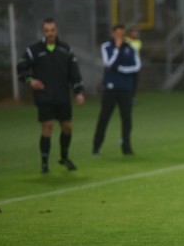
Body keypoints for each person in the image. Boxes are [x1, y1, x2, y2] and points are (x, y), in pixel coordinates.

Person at [16, 17, 85, 173]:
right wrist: (30, 80)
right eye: (46, 31)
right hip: (44, 96)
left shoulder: (65, 50)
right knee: (47, 126)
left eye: (52, 30)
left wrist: (79, 92)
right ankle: (45, 164)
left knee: (67, 127)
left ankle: (64, 157)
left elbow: (74, 73)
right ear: (43, 31)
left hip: (62, 96)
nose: (50, 33)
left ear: (57, 30)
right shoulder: (34, 50)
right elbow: (21, 68)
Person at [92, 24, 142, 156]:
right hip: (110, 89)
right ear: (113, 34)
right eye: (118, 34)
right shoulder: (106, 47)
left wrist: (122, 69)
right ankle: (96, 147)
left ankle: (126, 147)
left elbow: (136, 66)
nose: (120, 36)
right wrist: (117, 49)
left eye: (122, 34)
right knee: (104, 117)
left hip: (126, 88)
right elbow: (108, 64)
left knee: (127, 119)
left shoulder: (130, 48)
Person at [124, 26, 143, 102]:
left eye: (136, 32)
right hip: (126, 65)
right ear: (129, 33)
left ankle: (132, 97)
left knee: (134, 81)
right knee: (126, 81)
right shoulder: (125, 41)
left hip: (135, 65)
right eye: (134, 32)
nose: (136, 33)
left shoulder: (138, 42)